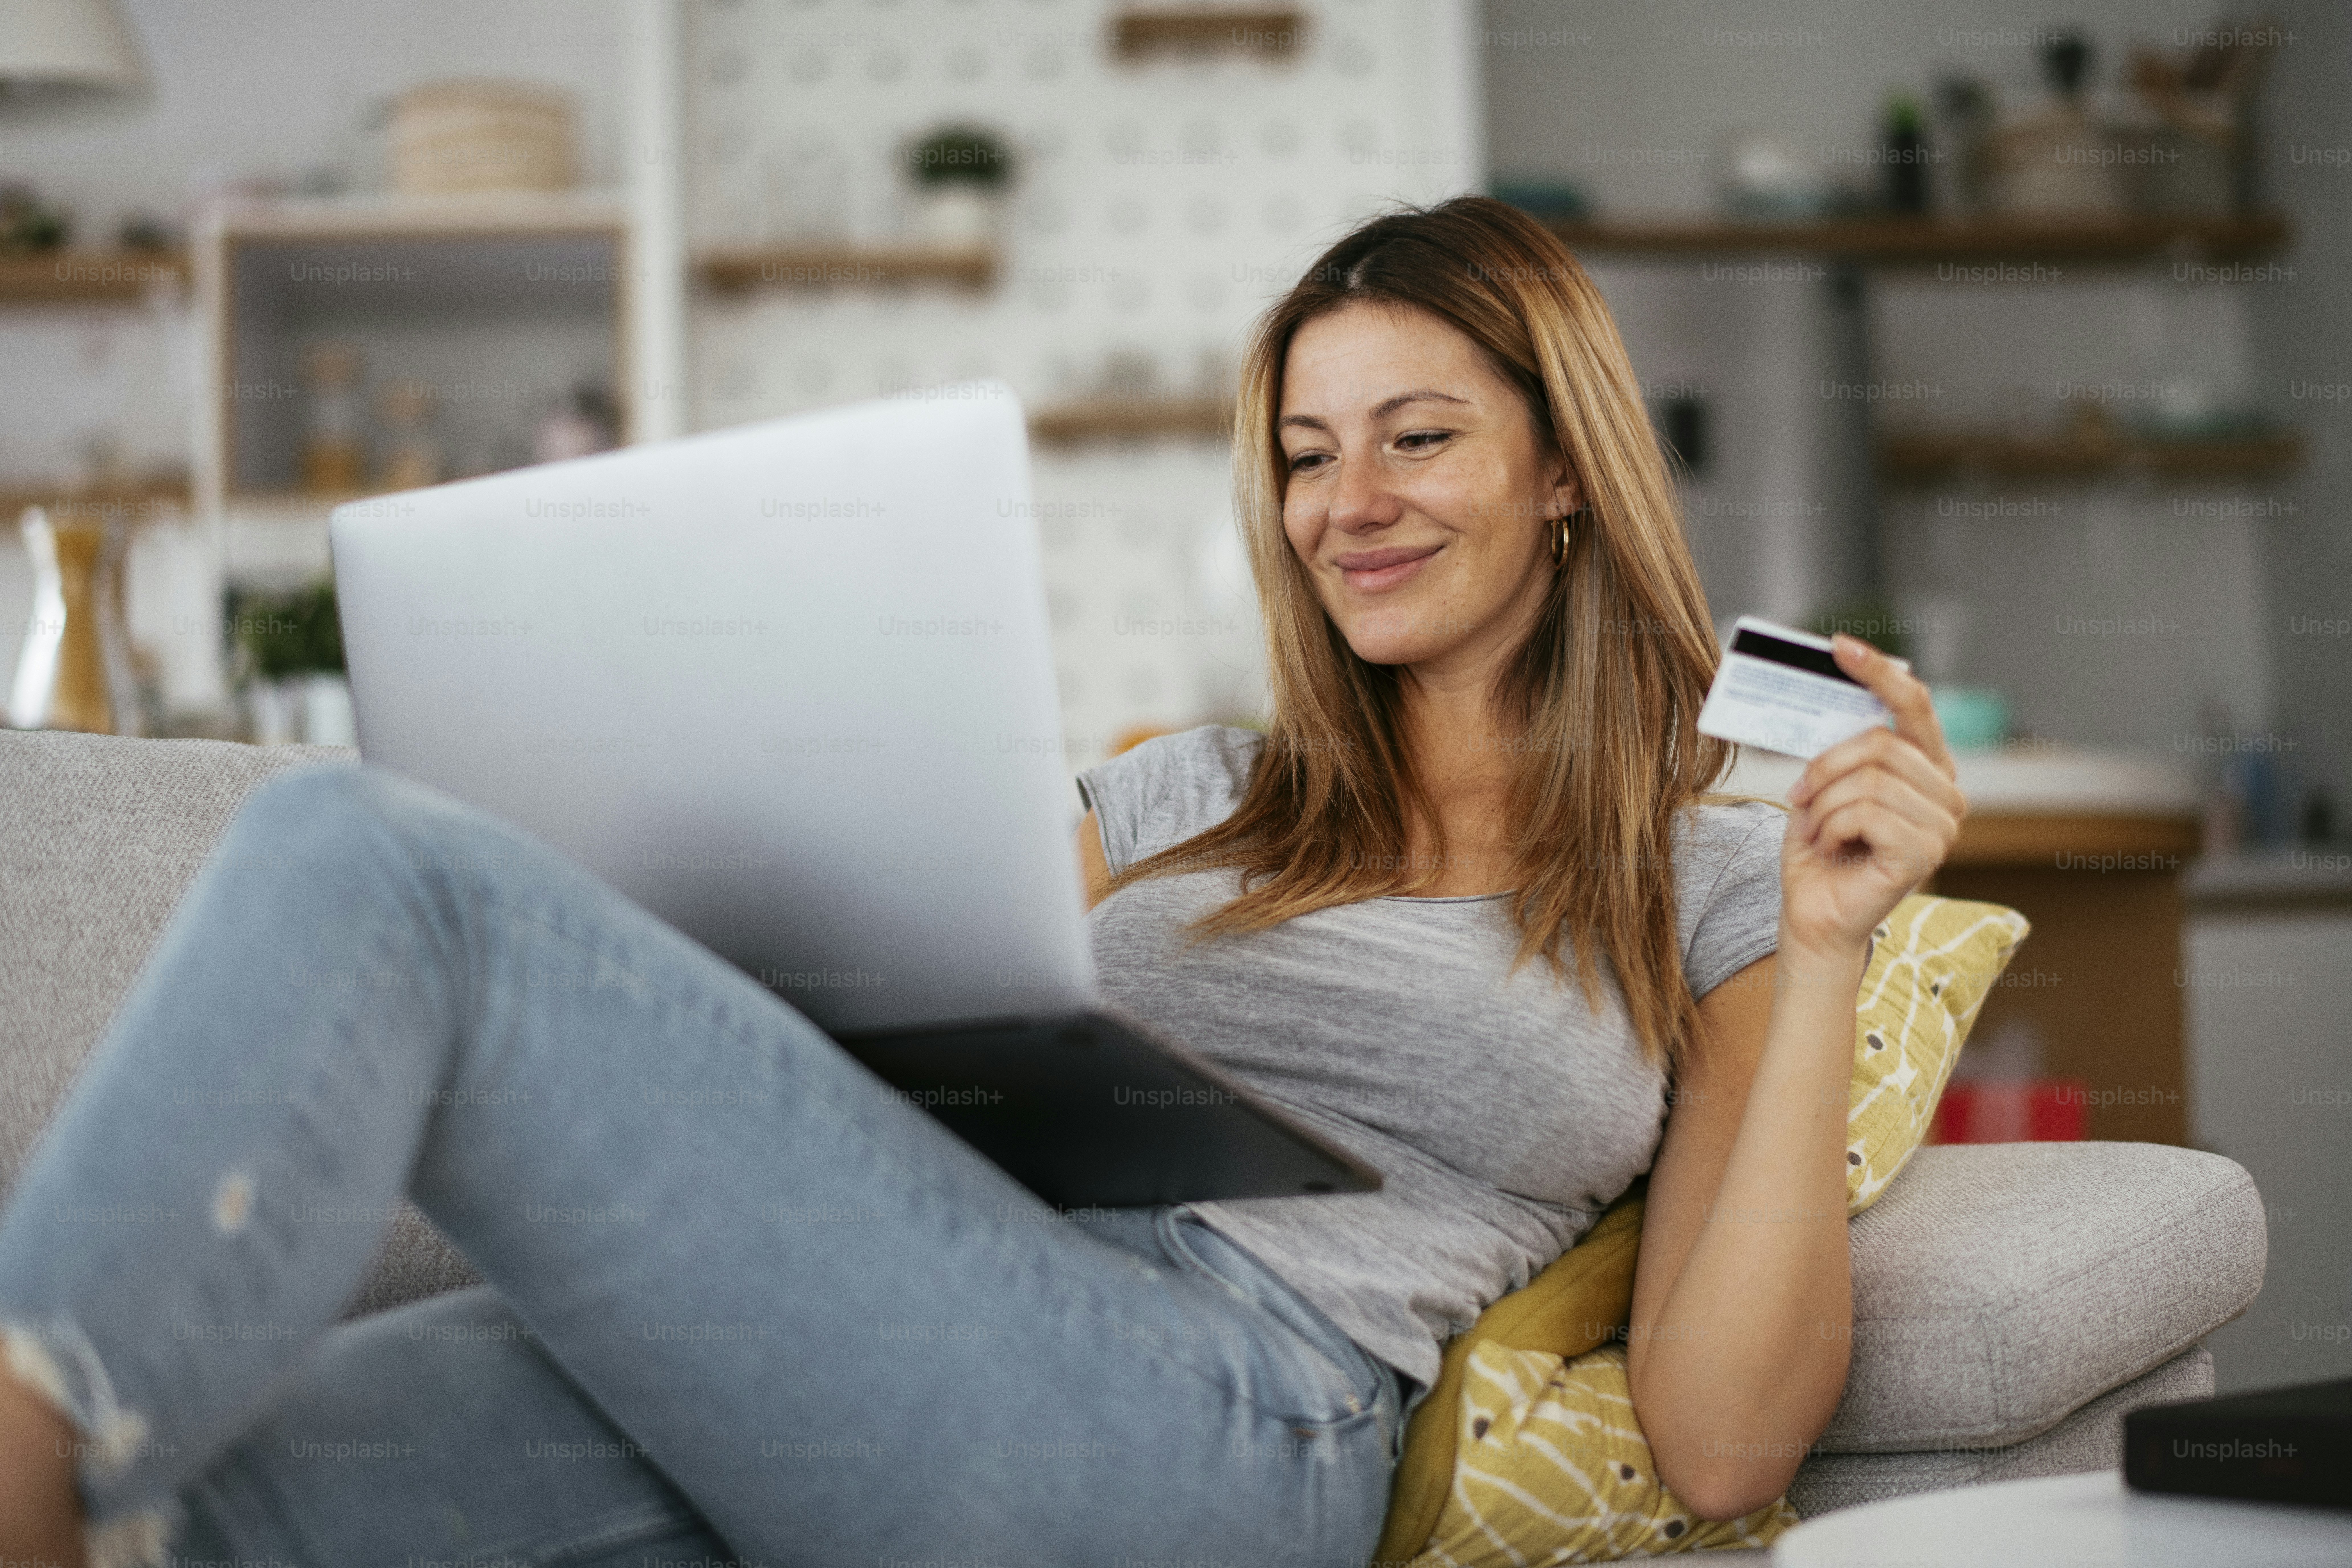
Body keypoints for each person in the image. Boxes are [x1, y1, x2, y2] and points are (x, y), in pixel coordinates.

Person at [0, 196, 1962, 1568]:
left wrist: (1824, 951)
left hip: (1226, 1411)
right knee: (180, 1515)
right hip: (904, 1314)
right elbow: (885, 991)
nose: (1346, 505)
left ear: (1563, 468)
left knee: (358, 851)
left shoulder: (1717, 878)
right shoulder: (1193, 788)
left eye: (1418, 438)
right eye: (1305, 456)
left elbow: (1723, 1442)